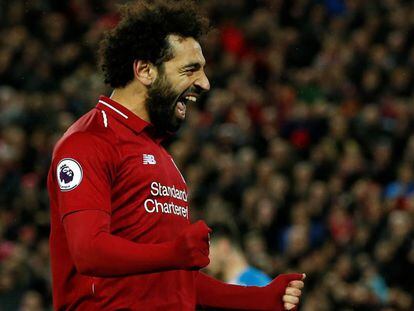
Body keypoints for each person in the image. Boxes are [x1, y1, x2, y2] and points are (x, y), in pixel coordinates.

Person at [47, 1, 305, 310]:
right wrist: (173, 252)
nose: (205, 83)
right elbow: (88, 251)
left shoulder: (161, 157)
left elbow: (174, 279)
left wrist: (258, 298)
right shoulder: (88, 142)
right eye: (190, 69)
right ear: (145, 70)